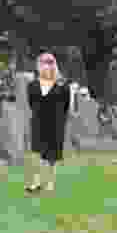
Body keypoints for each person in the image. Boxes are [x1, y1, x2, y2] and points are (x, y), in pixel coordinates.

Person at [25, 52, 74, 192]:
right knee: (36, 152)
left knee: (52, 154)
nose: (46, 66)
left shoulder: (62, 85)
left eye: (49, 63)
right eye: (43, 63)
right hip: (38, 121)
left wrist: (60, 119)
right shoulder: (33, 85)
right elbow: (31, 103)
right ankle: (36, 181)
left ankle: (50, 182)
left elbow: (66, 104)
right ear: (39, 66)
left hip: (56, 122)